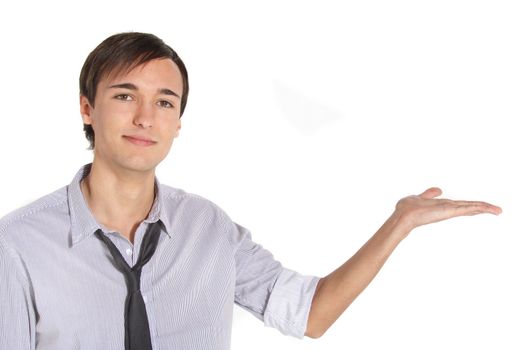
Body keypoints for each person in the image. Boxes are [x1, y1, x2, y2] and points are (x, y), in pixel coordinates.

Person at [0, 32, 502, 350]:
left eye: (165, 102)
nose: (145, 118)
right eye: (125, 95)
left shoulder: (210, 229)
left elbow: (310, 314)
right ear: (87, 108)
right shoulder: (18, 245)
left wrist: (401, 223)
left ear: (178, 123)